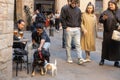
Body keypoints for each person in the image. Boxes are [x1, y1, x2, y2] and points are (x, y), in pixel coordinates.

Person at [60, 0, 85, 64]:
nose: (74, 3)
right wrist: (65, 27)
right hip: (69, 29)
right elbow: (62, 18)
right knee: (68, 45)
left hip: (76, 29)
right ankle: (69, 58)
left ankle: (80, 58)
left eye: (75, 2)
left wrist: (79, 26)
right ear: (70, 1)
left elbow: (80, 19)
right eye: (73, 2)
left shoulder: (78, 10)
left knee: (78, 45)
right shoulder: (65, 8)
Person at [99, 0, 120, 67]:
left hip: (116, 32)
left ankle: (116, 61)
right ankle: (102, 59)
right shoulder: (105, 12)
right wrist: (103, 19)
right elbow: (100, 20)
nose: (110, 6)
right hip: (107, 32)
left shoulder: (119, 12)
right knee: (105, 46)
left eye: (112, 4)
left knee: (117, 47)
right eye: (109, 5)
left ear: (115, 5)